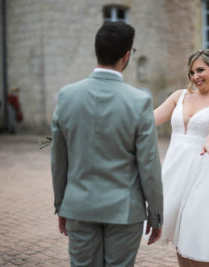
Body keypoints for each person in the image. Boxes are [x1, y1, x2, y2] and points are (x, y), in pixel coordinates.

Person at [51, 21, 163, 267]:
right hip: (124, 211)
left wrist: (62, 205)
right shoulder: (139, 102)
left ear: (97, 50)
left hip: (79, 206)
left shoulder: (67, 96)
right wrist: (155, 216)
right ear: (126, 56)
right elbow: (149, 166)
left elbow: (59, 160)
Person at [154, 46, 209, 266]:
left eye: (200, 70)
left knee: (197, 240)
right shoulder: (178, 96)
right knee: (181, 242)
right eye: (192, 72)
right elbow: (147, 120)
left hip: (201, 173)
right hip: (174, 172)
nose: (195, 77)